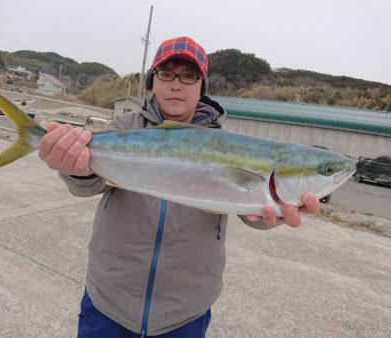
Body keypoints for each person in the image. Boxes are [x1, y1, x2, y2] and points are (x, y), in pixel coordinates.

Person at [38, 36, 320, 338]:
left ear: (201, 86)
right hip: (109, 299)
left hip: (184, 313)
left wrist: (270, 215)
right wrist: (75, 171)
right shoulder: (122, 130)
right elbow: (88, 186)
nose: (177, 84)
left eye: (189, 76)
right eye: (166, 74)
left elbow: (250, 208)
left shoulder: (229, 146)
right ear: (152, 82)